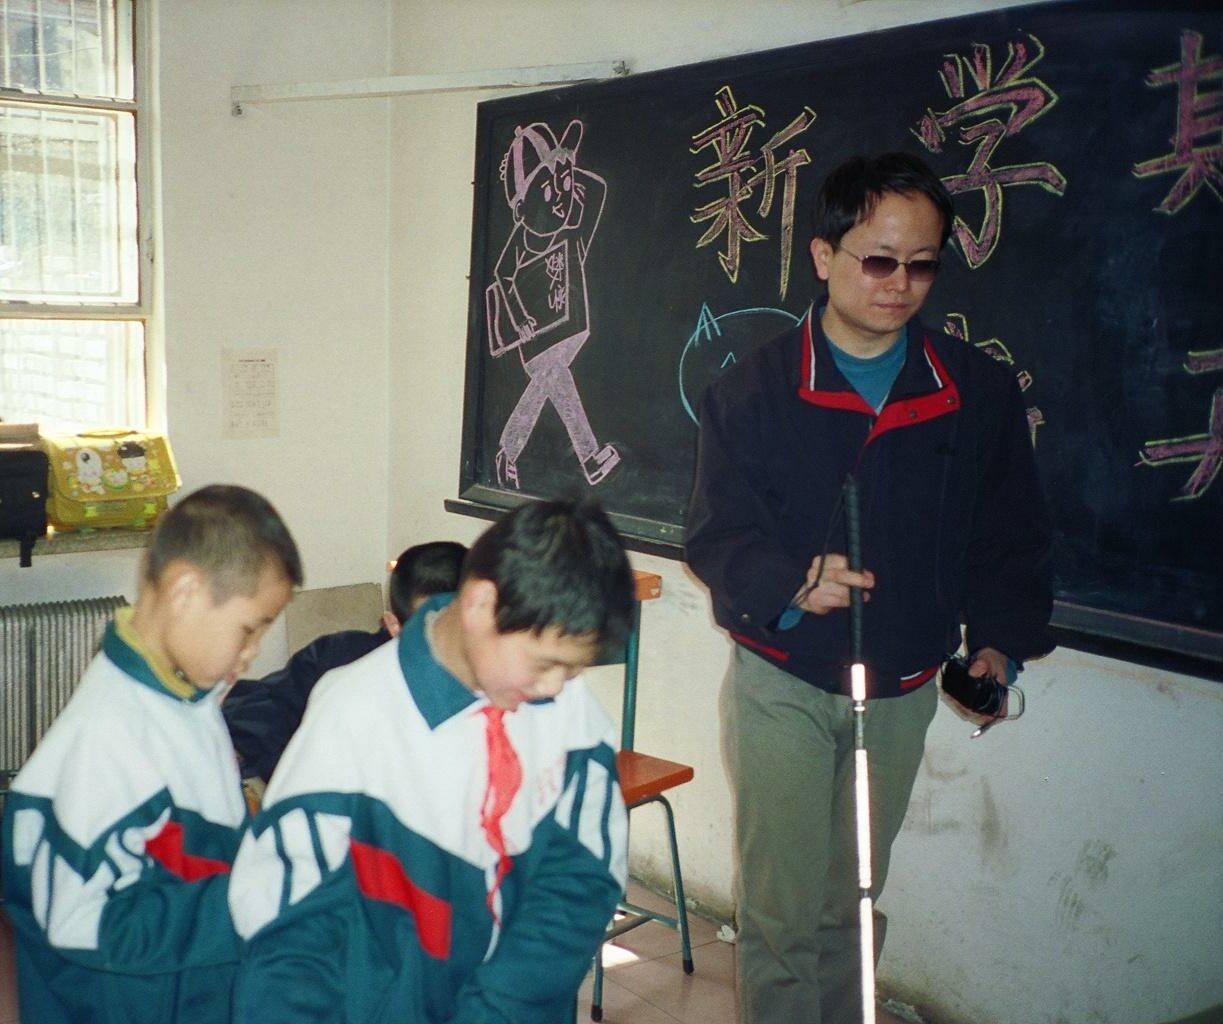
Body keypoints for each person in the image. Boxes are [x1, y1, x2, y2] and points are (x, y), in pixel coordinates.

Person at [685, 152, 1054, 1024]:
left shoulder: (977, 391)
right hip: (784, 676)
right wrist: (789, 581)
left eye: (920, 264)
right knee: (778, 909)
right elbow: (716, 534)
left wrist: (996, 644)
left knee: (851, 895)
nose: (899, 284)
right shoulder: (753, 388)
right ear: (824, 255)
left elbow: (1010, 535)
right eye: (877, 259)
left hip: (900, 685)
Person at [228, 496, 635, 1024]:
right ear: (481, 606)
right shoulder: (357, 712)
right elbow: (287, 920)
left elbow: (581, 878)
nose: (554, 687)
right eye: (546, 664)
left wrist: (504, 1004)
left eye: (573, 671)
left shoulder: (562, 706)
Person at [0, 484, 302, 1024]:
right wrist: (242, 902)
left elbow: (191, 841)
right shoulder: (107, 742)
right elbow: (79, 922)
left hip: (187, 989)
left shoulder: (187, 695)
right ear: (185, 592)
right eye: (249, 629)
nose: (253, 652)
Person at [222, 540, 468, 787]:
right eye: (432, 630)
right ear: (394, 626)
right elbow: (260, 708)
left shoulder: (495, 684)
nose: (451, 646)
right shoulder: (344, 660)